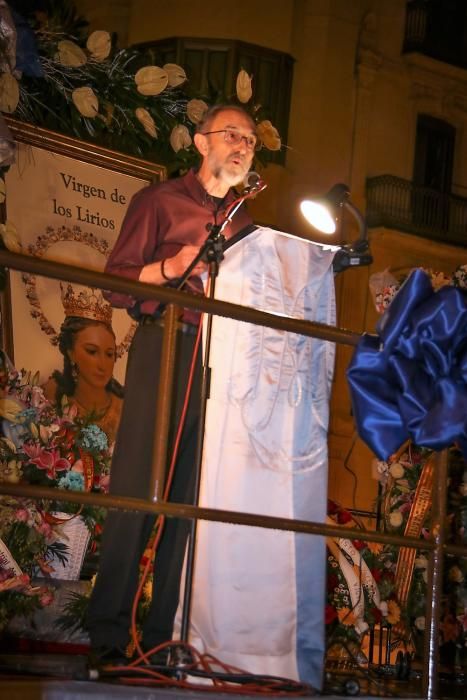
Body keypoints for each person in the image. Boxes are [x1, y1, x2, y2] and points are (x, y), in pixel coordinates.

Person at [87, 104, 256, 662]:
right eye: (233, 135)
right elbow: (113, 282)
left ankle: (164, 638)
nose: (243, 146)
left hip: (220, 362)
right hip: (165, 343)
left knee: (191, 499)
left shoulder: (245, 227)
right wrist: (168, 269)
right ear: (202, 142)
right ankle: (110, 633)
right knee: (137, 486)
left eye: (251, 141)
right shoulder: (159, 201)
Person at [43, 285, 123, 444]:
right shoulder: (52, 397)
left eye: (109, 354)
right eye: (92, 352)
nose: (103, 364)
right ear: (71, 352)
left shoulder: (124, 408)